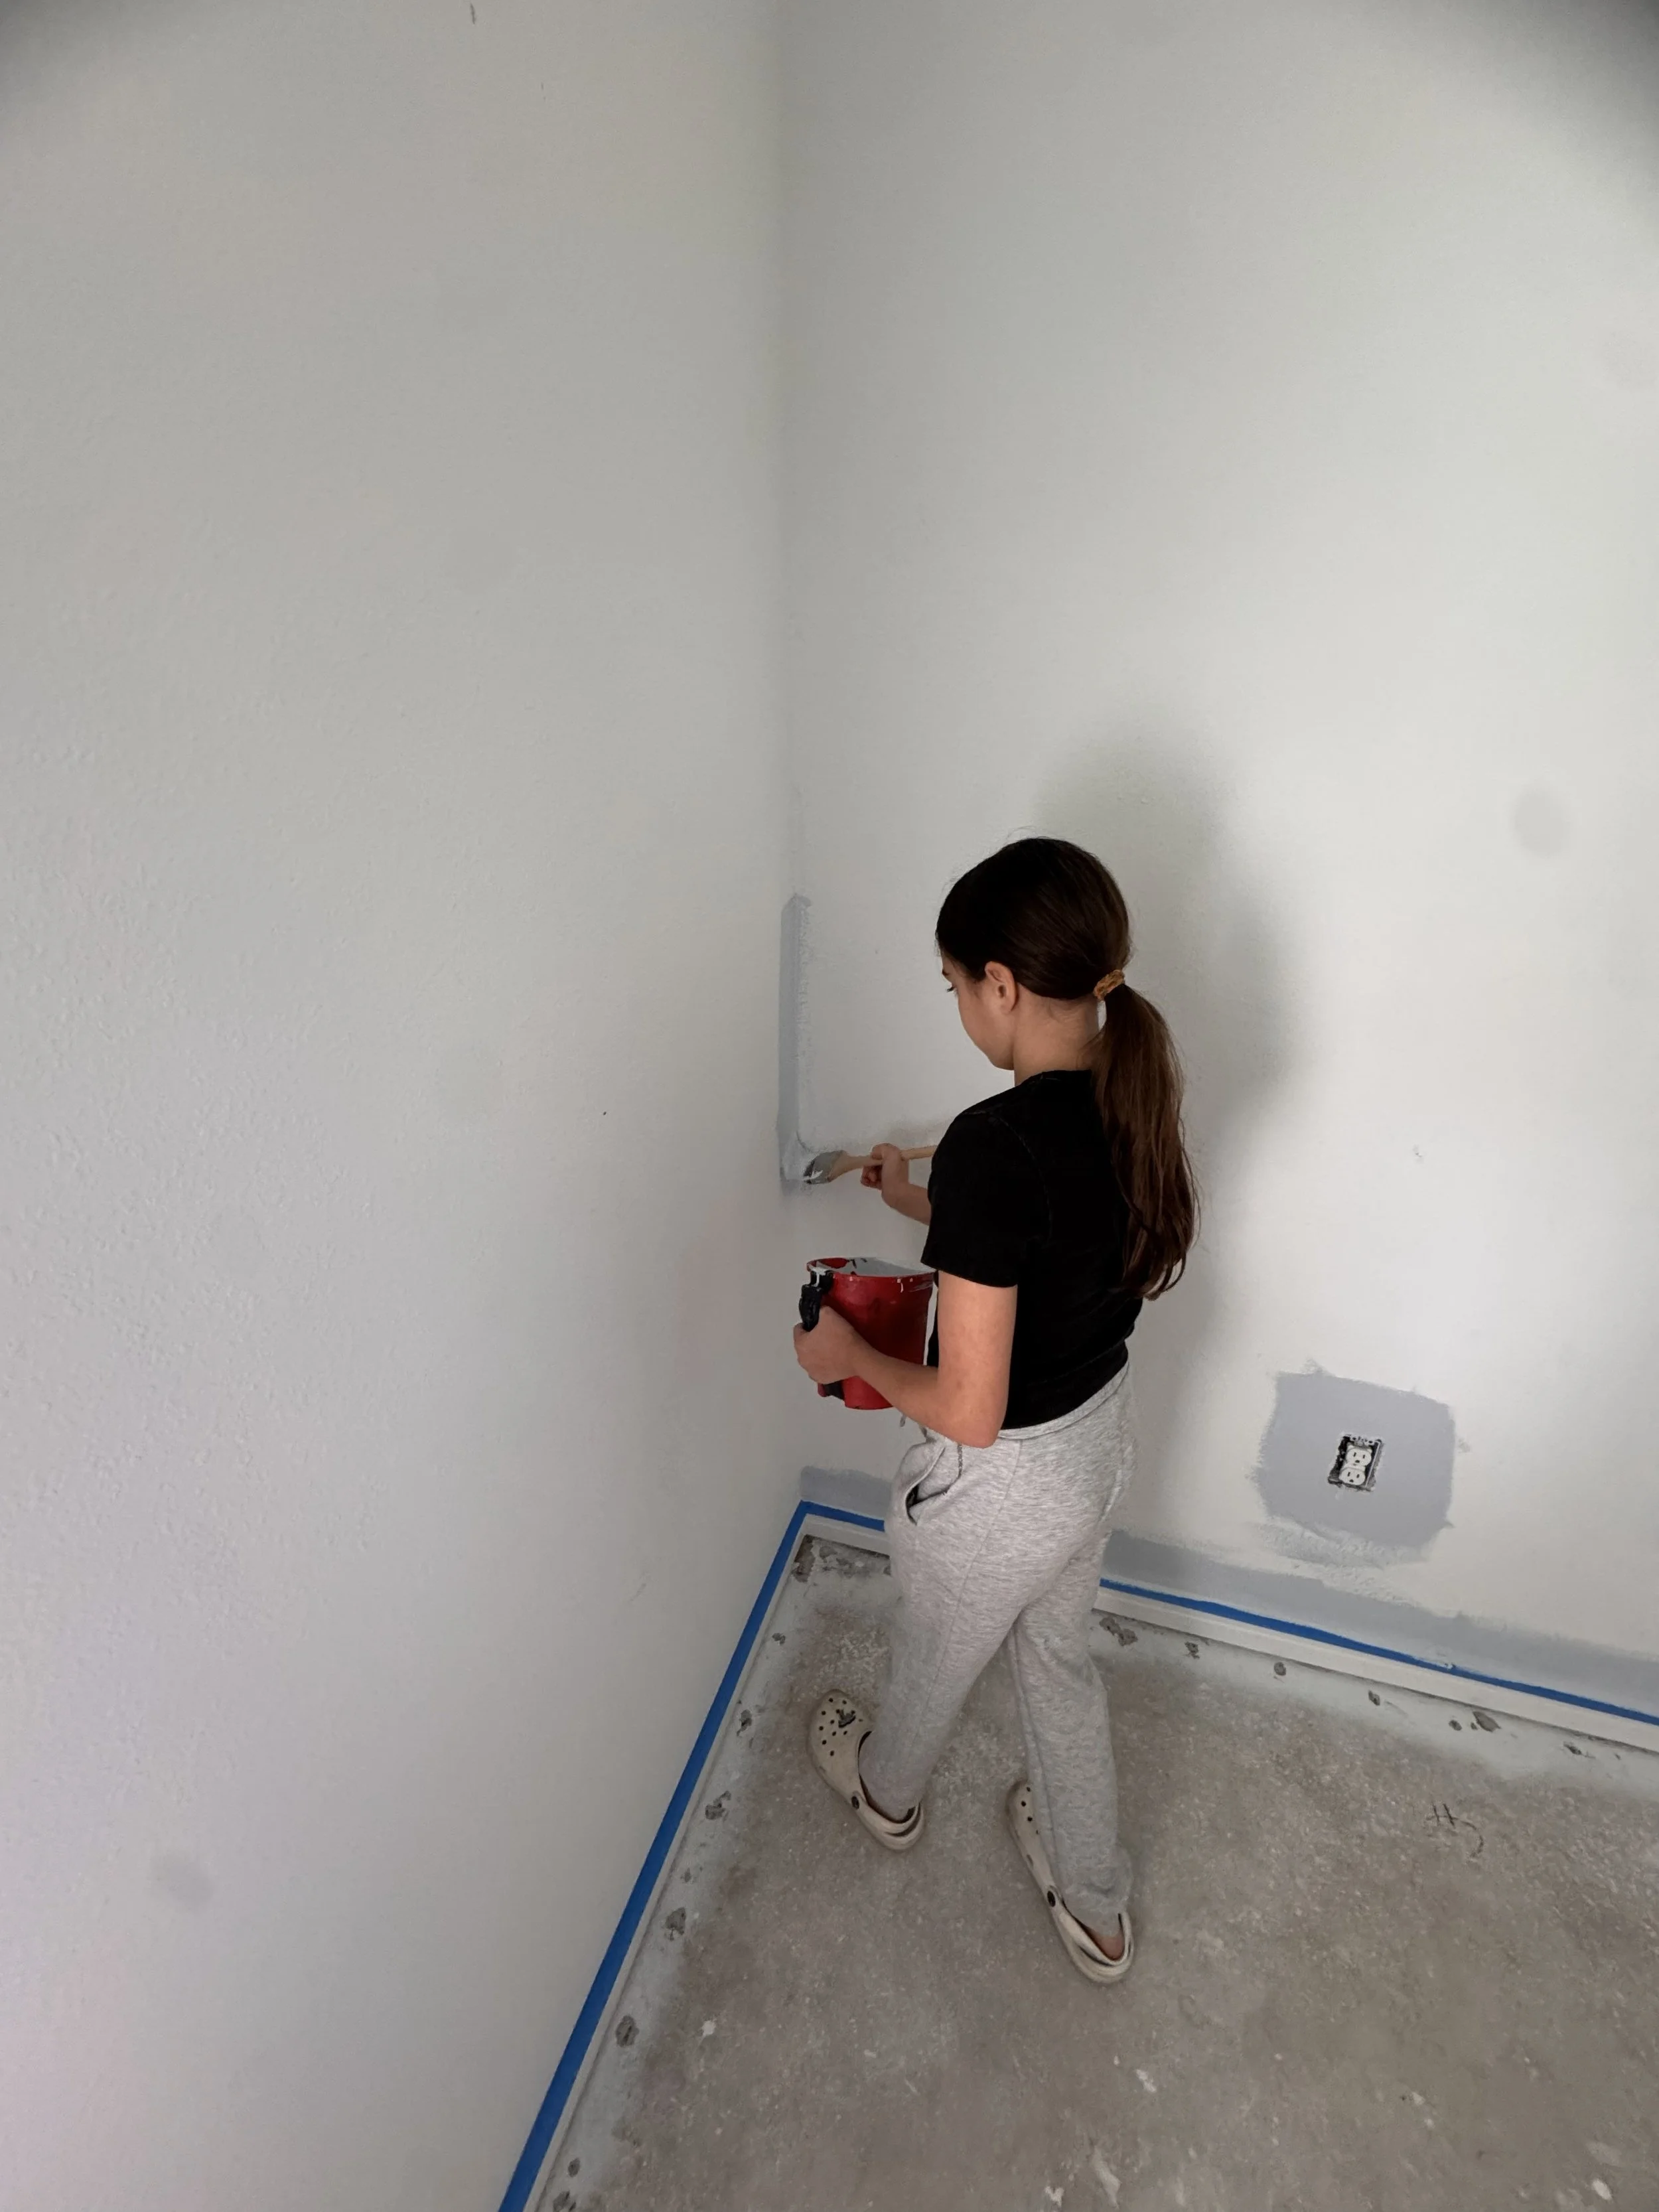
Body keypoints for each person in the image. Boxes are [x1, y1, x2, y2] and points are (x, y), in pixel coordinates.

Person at [793, 836, 1196, 1982]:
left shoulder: (995, 1141)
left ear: (1004, 986)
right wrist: (921, 1199)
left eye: (956, 984)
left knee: (933, 1660)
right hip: (1094, 1451)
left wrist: (847, 1349)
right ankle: (1097, 1904)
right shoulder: (1127, 1091)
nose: (962, 1007)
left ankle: (886, 1795)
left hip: (999, 1488)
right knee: (1058, 1662)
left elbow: (968, 1412)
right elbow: (1041, 1244)